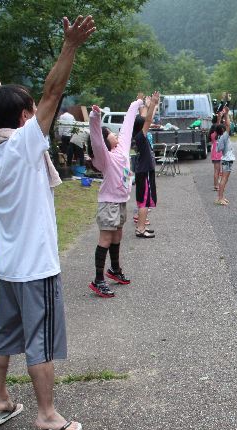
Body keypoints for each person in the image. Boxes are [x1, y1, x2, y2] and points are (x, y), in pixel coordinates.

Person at [0, 14, 95, 430]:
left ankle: (2, 400)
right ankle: (47, 417)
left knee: (3, 333)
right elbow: (52, 92)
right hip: (35, 267)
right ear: (26, 116)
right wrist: (70, 46)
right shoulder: (24, 144)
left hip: (8, 266)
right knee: (39, 341)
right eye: (30, 110)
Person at [88, 93, 141, 297]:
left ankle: (115, 269)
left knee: (117, 235)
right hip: (108, 203)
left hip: (120, 202)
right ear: (105, 140)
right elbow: (96, 140)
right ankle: (98, 279)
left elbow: (127, 126)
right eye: (110, 133)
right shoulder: (104, 158)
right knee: (106, 238)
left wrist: (136, 104)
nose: (115, 134)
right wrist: (95, 118)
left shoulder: (122, 149)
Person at [133, 91, 160, 239]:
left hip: (143, 170)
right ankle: (141, 229)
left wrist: (148, 106)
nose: (147, 124)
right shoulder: (141, 136)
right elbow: (148, 119)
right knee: (144, 202)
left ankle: (141, 226)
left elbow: (146, 118)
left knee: (144, 201)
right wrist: (153, 104)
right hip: (144, 171)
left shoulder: (138, 135)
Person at [215, 107, 234, 206]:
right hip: (227, 160)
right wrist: (226, 114)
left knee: (224, 179)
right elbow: (228, 125)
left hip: (226, 159)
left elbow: (219, 126)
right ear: (223, 130)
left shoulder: (220, 137)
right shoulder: (224, 136)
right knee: (224, 179)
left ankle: (221, 197)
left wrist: (220, 118)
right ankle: (220, 198)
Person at [210, 115, 222, 191]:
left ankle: (217, 184)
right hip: (216, 155)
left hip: (218, 155)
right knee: (216, 170)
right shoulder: (214, 135)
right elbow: (218, 125)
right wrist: (219, 118)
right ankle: (216, 185)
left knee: (218, 170)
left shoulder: (217, 135)